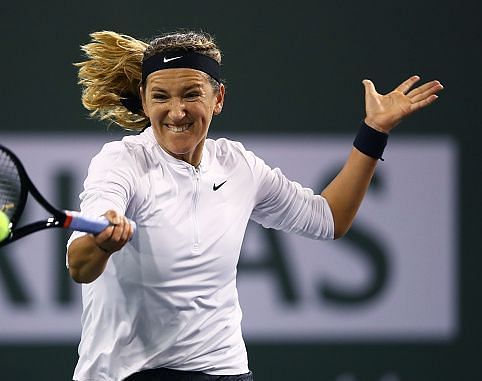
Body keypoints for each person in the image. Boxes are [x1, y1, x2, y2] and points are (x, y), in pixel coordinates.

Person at [66, 30, 443, 381]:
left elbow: (329, 218)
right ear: (145, 101)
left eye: (191, 94)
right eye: (161, 96)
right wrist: (102, 241)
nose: (176, 111)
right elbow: (80, 266)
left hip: (222, 369)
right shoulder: (121, 161)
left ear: (218, 99)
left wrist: (374, 131)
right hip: (126, 374)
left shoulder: (239, 165)